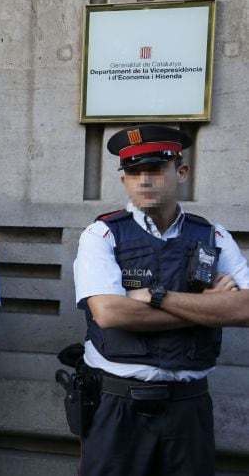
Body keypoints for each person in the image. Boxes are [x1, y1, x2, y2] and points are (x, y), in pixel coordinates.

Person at [73, 125, 249, 476]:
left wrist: (157, 296)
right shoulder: (102, 234)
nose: (144, 181)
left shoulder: (212, 236)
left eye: (155, 170)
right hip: (118, 404)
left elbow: (245, 308)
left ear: (180, 172)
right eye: (134, 172)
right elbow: (108, 313)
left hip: (188, 405)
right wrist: (210, 308)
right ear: (124, 181)